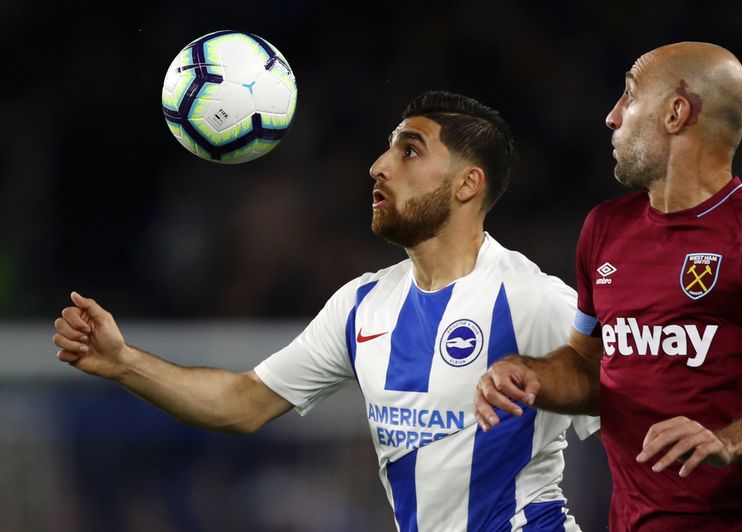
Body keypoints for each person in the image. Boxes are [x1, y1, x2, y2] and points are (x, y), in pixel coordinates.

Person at [53, 91, 597, 531]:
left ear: (467, 183)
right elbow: (243, 404)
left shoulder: (535, 300)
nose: (378, 166)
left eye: (409, 151)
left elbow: (639, 417)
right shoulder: (362, 305)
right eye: (387, 149)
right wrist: (124, 363)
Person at [474, 42, 742, 530]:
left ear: (676, 113)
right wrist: (529, 375)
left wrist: (729, 441)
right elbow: (591, 370)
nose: (612, 117)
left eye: (629, 96)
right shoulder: (604, 229)